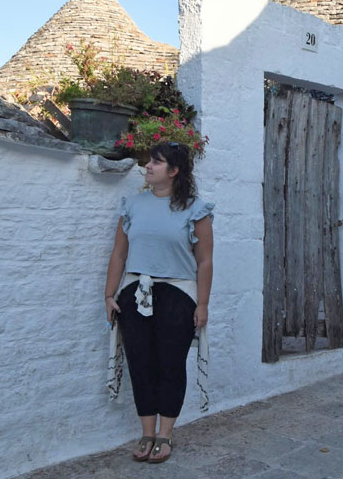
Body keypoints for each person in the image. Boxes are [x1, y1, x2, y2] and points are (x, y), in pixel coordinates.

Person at [103, 142, 214, 464]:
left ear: (175, 171)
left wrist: (202, 303)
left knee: (169, 365)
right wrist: (109, 295)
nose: (148, 166)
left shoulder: (196, 209)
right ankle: (146, 432)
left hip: (178, 295)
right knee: (141, 364)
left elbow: (204, 261)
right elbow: (119, 254)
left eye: (156, 162)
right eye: (149, 161)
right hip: (134, 292)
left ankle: (165, 435)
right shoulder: (133, 205)